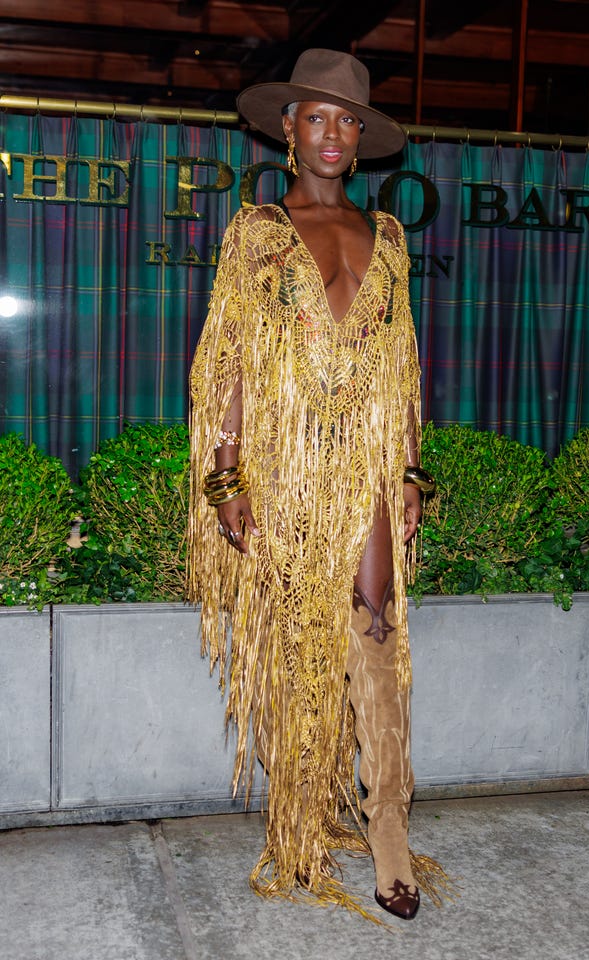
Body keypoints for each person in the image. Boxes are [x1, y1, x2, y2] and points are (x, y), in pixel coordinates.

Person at [188, 48, 449, 921]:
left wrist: (410, 470)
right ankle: (298, 825)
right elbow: (226, 361)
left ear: (361, 138)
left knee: (373, 625)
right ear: (288, 130)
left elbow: (403, 365)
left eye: (348, 120)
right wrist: (226, 479)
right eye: (316, 117)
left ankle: (387, 832)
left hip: (367, 460)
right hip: (283, 464)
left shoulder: (390, 236)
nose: (332, 133)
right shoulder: (256, 231)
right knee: (297, 641)